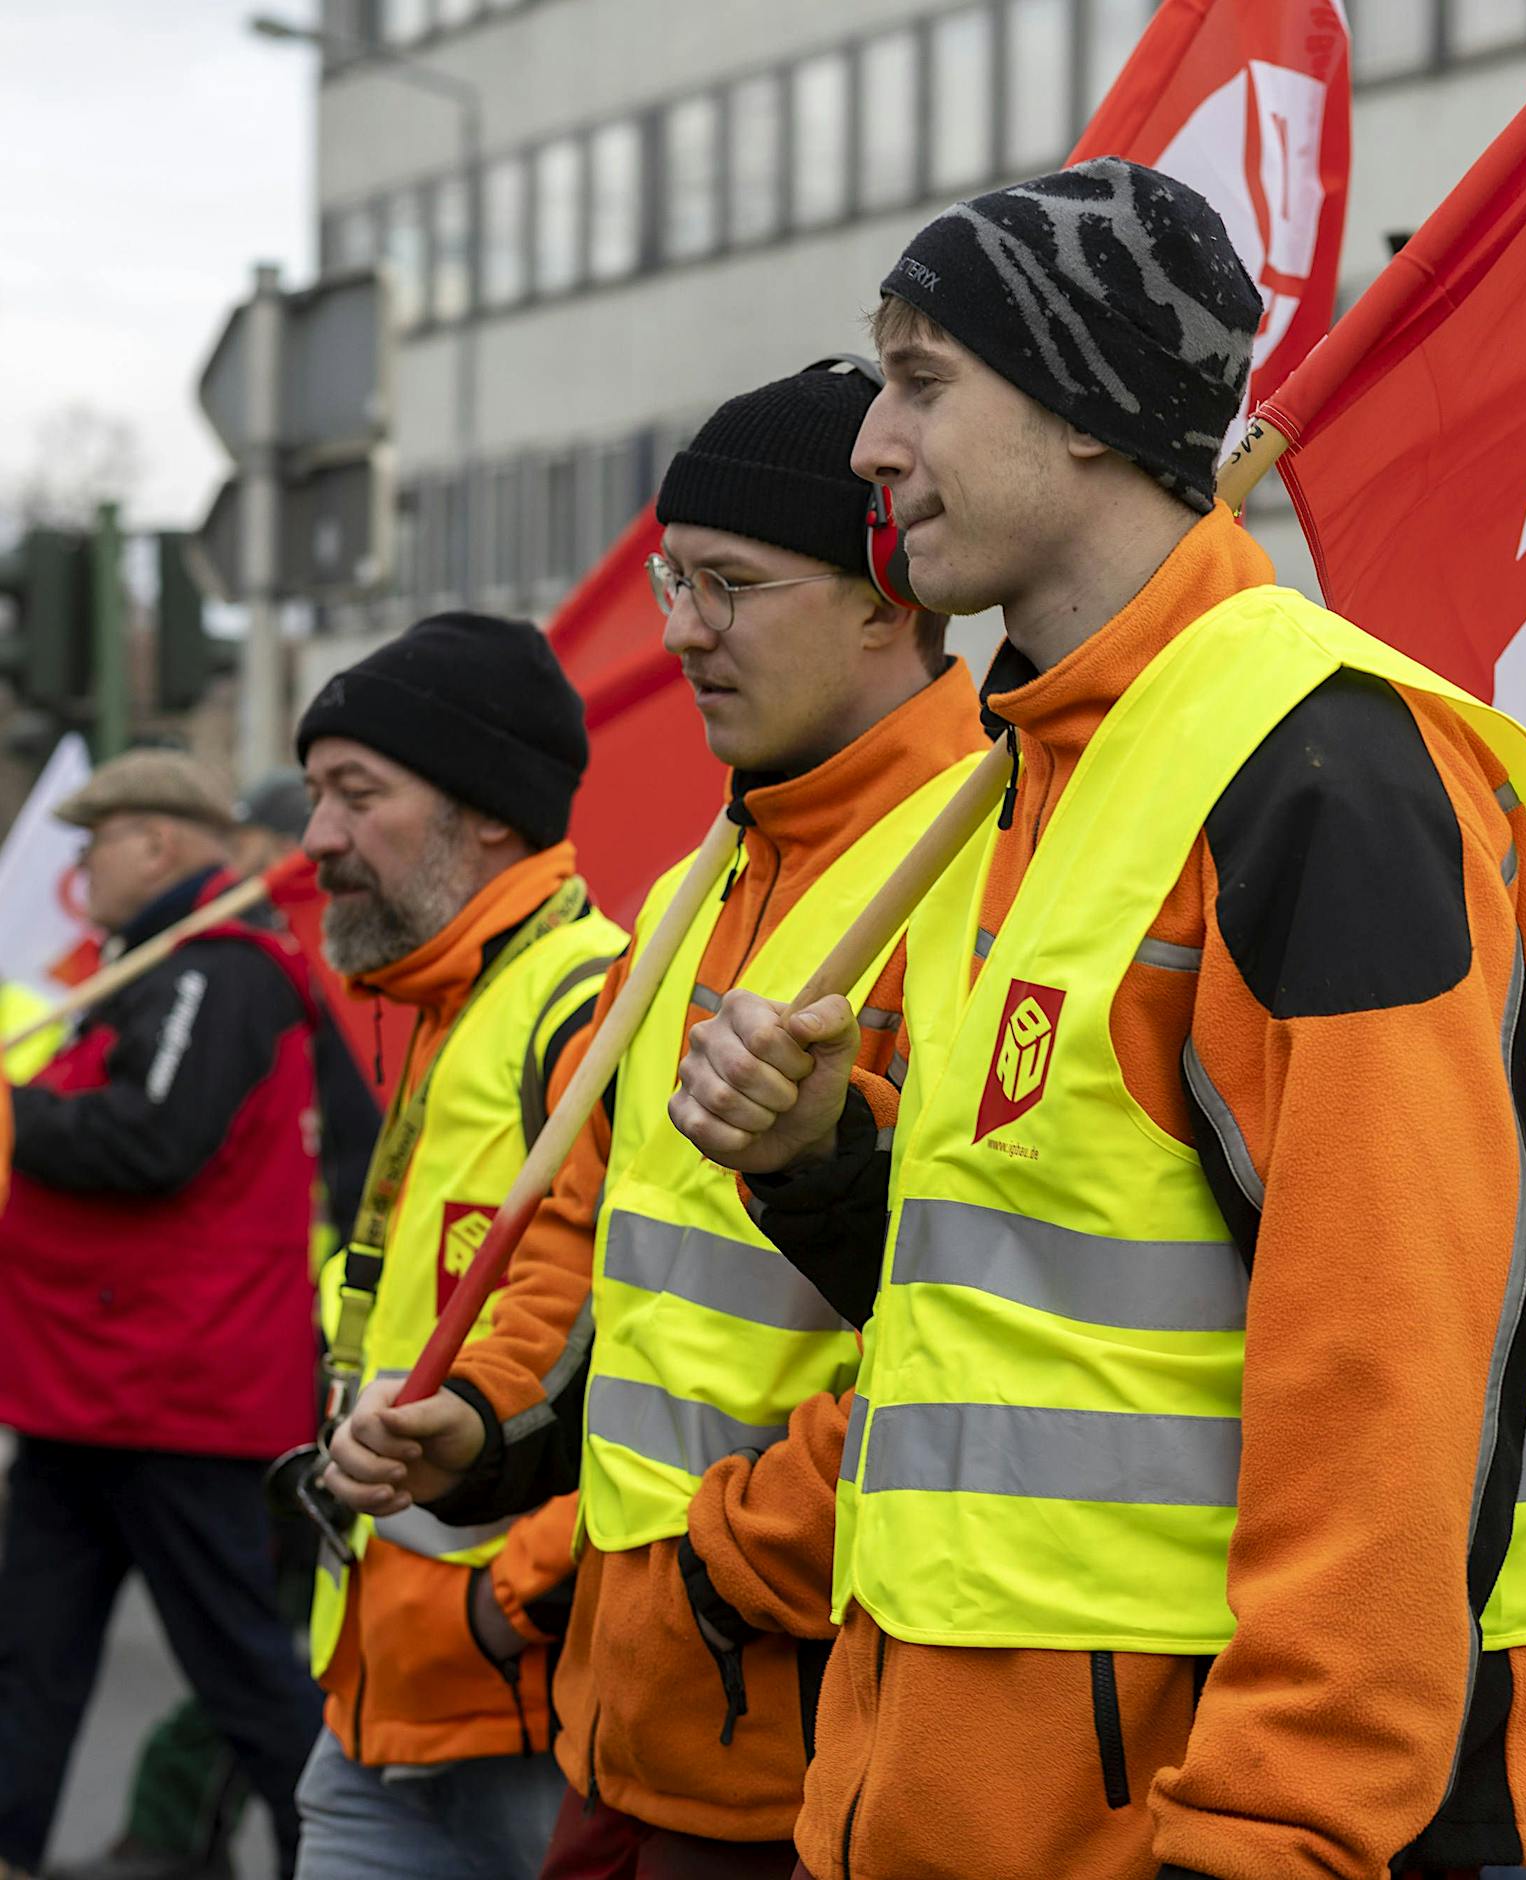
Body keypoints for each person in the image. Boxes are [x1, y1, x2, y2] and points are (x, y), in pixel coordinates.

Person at [669, 159, 1526, 1879]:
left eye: (922, 379)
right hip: (948, 1794)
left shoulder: (1316, 765)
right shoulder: (1020, 782)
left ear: (1092, 412)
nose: (872, 445)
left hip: (1203, 1818)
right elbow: (1020, 1323)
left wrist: (1277, 1830)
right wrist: (822, 1166)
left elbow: (1390, 1367)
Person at [318, 361, 984, 1875]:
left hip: (818, 1726)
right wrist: (477, 1425)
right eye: (678, 579)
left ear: (889, 593)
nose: (680, 628)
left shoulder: (982, 868)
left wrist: (728, 1556)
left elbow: (992, 1324)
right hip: (636, 1717)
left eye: (730, 585)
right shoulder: (702, 883)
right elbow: (583, 1240)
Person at [284, 613, 628, 1880]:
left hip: (522, 1716)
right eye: (316, 793)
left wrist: (513, 1598)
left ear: (487, 811)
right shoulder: (443, 1003)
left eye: (355, 795)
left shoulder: (589, 1004)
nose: (316, 837)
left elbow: (663, 1352)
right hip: (373, 1705)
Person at [47, 765, 381, 1880]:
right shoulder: (153, 969)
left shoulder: (218, 972)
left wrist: (12, 1116)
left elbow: (154, 1138)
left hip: (192, 1382)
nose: (78, 867)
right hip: (98, 1381)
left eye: (95, 841)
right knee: (31, 1652)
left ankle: (315, 1850)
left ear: (153, 843)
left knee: (243, 1655)